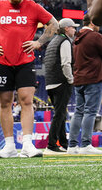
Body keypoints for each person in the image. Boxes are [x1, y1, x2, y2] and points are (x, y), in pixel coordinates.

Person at [0, 0, 58, 159]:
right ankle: (9, 146)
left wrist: (39, 42)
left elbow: (54, 24)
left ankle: (27, 145)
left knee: (27, 101)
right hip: (2, 62)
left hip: (25, 62)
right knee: (5, 102)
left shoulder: (33, 7)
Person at [69, 13, 102, 154]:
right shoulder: (94, 36)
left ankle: (72, 145)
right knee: (90, 112)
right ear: (93, 23)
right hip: (93, 78)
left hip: (79, 78)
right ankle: (86, 144)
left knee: (78, 111)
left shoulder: (76, 37)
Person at [42, 18, 75, 155]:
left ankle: (63, 144)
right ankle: (51, 144)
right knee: (60, 114)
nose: (75, 30)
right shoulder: (65, 41)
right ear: (66, 28)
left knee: (59, 114)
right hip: (61, 82)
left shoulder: (53, 41)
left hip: (50, 82)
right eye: (73, 27)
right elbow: (66, 63)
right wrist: (71, 79)